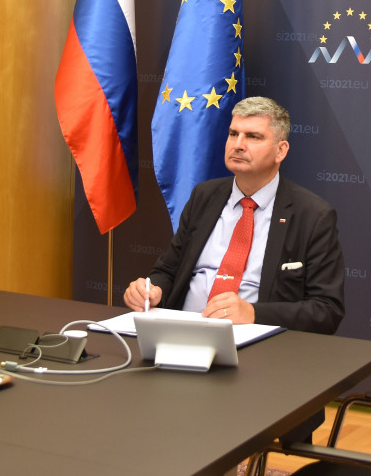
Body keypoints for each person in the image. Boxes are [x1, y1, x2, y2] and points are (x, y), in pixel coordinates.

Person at [123, 96, 344, 335]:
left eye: (253, 137)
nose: (238, 144)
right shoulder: (204, 196)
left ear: (281, 150)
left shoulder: (312, 215)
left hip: (257, 345)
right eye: (233, 134)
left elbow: (326, 310)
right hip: (181, 330)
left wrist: (253, 314)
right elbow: (167, 271)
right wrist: (151, 290)